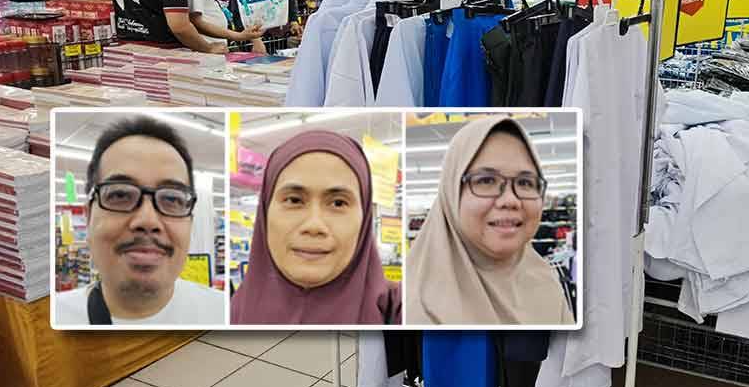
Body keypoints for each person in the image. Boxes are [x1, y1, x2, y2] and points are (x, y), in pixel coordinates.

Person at [55, 117, 225, 326]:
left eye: (171, 199)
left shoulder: (227, 314)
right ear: (89, 216)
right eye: (119, 195)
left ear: (190, 221)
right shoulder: (46, 326)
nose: (147, 220)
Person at [406, 115, 574, 325]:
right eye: (486, 180)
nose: (510, 200)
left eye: (525, 182)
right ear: (452, 192)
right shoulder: (409, 306)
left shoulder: (546, 284)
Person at [231, 130, 400, 325]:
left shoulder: (405, 314)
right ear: (265, 211)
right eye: (294, 200)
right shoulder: (224, 318)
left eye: (338, 203)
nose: (314, 225)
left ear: (364, 219)